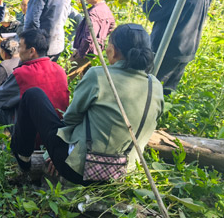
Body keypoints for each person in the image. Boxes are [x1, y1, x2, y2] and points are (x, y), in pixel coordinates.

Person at [10, 24, 165, 185]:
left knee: (33, 95)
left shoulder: (99, 75)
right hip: (122, 174)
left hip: (80, 170)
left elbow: (70, 119)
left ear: (113, 50)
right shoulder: (155, 85)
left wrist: (51, 153)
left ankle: (23, 160)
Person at [142, 0, 213, 94]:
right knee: (165, 95)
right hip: (186, 51)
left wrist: (148, 0)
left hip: (165, 51)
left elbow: (151, 11)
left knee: (148, 93)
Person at [0, 29, 69, 128]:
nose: (18, 51)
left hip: (34, 133)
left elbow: (0, 99)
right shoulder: (59, 69)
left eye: (20, 47)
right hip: (59, 126)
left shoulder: (22, 73)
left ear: (32, 51)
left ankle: (13, 134)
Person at [69, 0, 115, 80]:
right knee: (87, 79)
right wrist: (101, 38)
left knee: (66, 76)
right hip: (96, 51)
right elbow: (112, 25)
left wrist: (79, 53)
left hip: (85, 51)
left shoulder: (93, 13)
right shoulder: (106, 10)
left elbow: (89, 37)